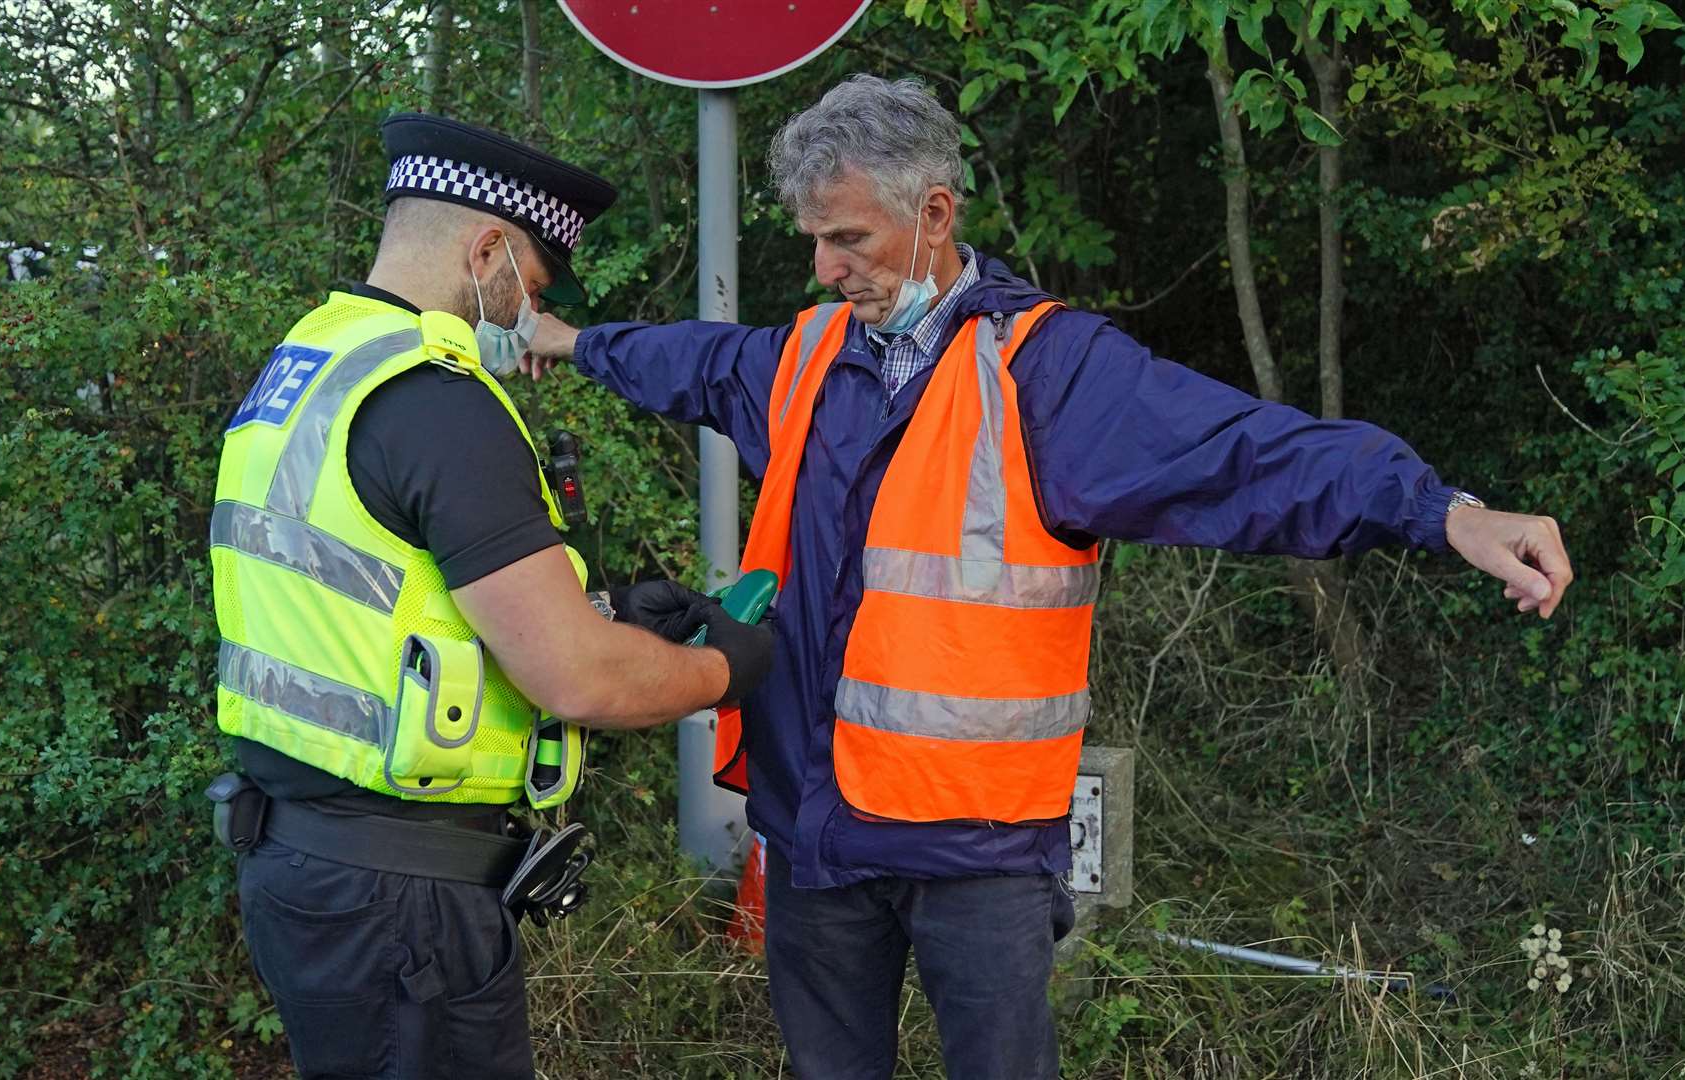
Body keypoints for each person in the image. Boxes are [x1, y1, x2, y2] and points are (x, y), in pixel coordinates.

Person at [521, 75, 1574, 1079]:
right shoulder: (803, 357)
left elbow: (1246, 453)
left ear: (933, 213)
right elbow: (692, 362)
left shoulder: (1046, 371)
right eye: (814, 242)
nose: (825, 268)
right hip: (813, 834)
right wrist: (572, 342)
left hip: (977, 856)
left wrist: (1444, 513)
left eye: (847, 239)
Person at [207, 112, 772, 1080]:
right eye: (532, 287)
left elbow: (389, 606)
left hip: (304, 870)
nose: (525, 317)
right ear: (485, 252)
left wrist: (604, 613)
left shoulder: (310, 361)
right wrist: (728, 667)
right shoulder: (440, 399)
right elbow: (577, 680)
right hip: (402, 910)